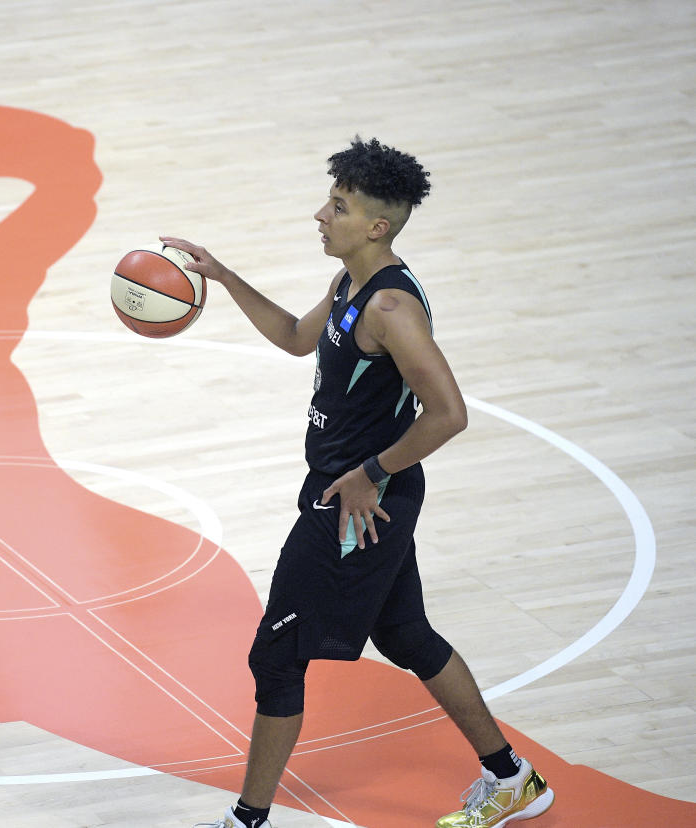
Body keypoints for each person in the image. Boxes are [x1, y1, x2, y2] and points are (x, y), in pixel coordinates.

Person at [165, 137, 555, 828]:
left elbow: (450, 414)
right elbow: (293, 335)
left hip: (359, 505)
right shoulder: (349, 280)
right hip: (355, 491)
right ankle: (512, 778)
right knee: (406, 634)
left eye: (337, 206)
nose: (321, 214)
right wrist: (221, 275)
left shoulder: (391, 309)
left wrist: (371, 474)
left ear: (378, 225)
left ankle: (246, 821)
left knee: (277, 653)